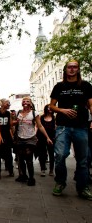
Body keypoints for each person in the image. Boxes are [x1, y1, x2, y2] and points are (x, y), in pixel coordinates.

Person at [49, 59, 92, 200]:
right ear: (66, 70)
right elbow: (51, 106)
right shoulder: (59, 86)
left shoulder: (85, 86)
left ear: (78, 69)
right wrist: (62, 110)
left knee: (83, 159)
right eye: (69, 67)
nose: (72, 69)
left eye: (75, 67)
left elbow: (91, 104)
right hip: (63, 127)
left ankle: (83, 187)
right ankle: (60, 183)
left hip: (81, 127)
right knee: (60, 155)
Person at [14, 97, 52, 186]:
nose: (25, 102)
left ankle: (31, 178)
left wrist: (47, 137)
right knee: (21, 159)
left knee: (29, 158)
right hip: (20, 138)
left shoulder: (34, 113)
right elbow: (14, 124)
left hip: (30, 138)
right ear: (22, 104)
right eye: (23, 101)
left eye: (27, 101)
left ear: (31, 104)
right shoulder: (18, 113)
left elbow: (40, 126)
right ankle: (23, 176)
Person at [0, 98, 14, 179]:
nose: (9, 104)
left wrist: (12, 135)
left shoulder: (8, 113)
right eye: (7, 103)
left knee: (9, 154)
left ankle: (11, 171)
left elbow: (10, 125)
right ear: (1, 104)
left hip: (7, 136)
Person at [36, 104, 55, 177]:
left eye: (51, 108)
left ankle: (51, 170)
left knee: (51, 154)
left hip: (52, 137)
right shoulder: (41, 117)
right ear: (46, 109)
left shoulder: (54, 118)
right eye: (48, 108)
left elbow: (56, 127)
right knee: (42, 154)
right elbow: (38, 126)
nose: (49, 109)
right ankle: (43, 169)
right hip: (41, 137)